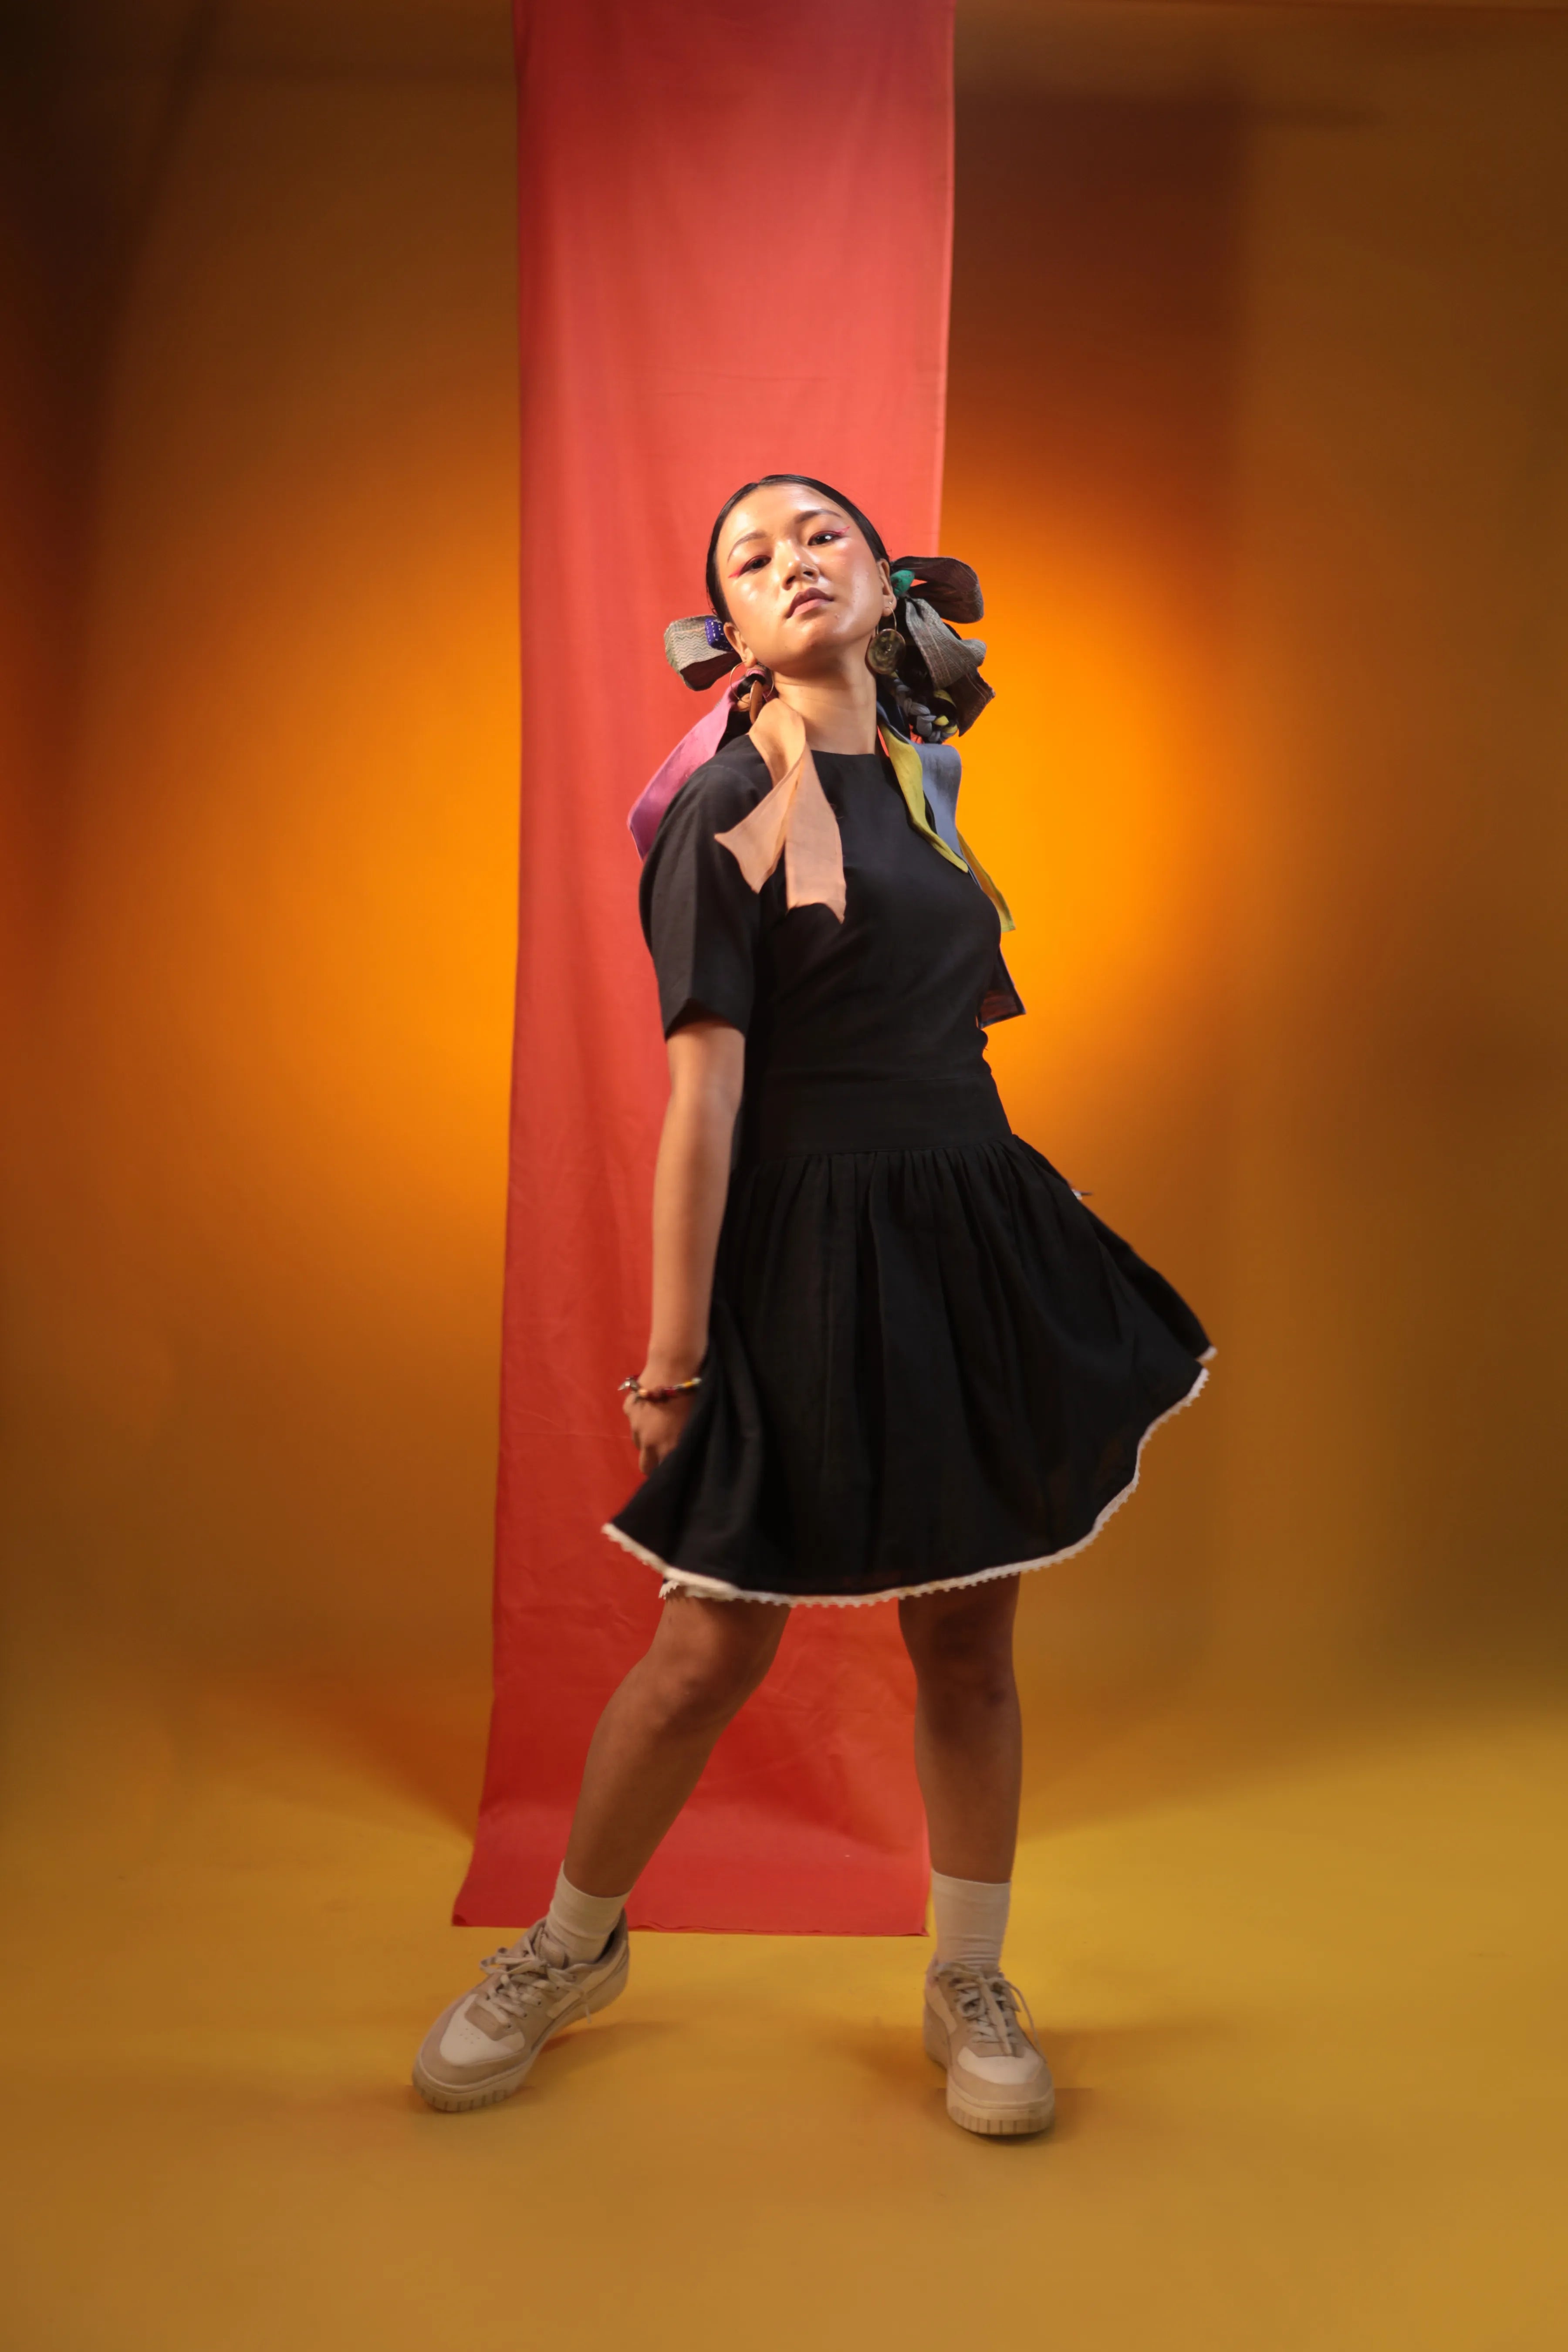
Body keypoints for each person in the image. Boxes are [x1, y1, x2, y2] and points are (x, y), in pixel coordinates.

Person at [413, 476, 1211, 2137]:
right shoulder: (725, 804)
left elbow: (952, 1023)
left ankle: (966, 1978)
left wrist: (986, 1228)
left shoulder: (924, 776)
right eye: (753, 556)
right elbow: (705, 1101)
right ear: (730, 626)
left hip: (966, 1219)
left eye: (820, 534)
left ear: (883, 573)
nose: (793, 562)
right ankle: (568, 1947)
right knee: (708, 1646)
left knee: (968, 1634)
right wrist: (675, 1361)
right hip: (802, 1240)